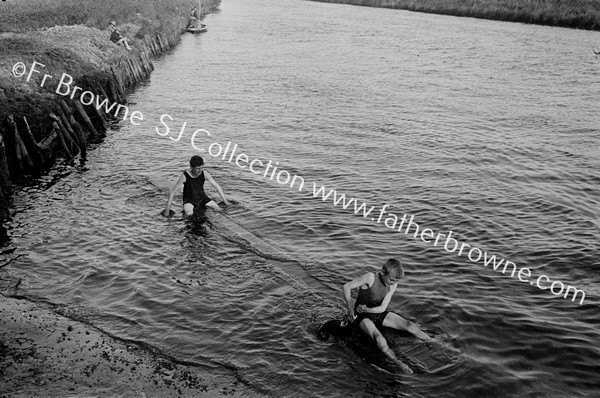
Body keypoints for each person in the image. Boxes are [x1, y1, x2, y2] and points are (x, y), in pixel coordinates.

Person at [342, 258, 434, 374]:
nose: (393, 283)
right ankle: (399, 363)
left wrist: (369, 309)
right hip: (362, 316)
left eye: (395, 281)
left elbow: (383, 308)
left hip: (377, 312)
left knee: (409, 325)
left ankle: (432, 342)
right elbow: (346, 286)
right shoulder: (370, 277)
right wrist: (350, 309)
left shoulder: (393, 285)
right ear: (383, 272)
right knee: (379, 338)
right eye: (391, 280)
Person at [162, 155, 230, 218]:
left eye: (201, 168)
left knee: (219, 210)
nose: (200, 171)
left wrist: (225, 201)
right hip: (189, 200)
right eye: (197, 168)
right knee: (189, 214)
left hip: (203, 198)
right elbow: (173, 192)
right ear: (191, 167)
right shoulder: (185, 176)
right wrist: (167, 211)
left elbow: (216, 186)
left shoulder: (204, 173)